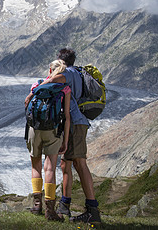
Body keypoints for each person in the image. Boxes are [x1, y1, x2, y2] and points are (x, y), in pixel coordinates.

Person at [42, 48, 101, 224]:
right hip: (76, 122)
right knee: (65, 163)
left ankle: (93, 210)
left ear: (60, 61)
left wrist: (47, 77)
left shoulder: (66, 72)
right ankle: (64, 206)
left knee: (80, 163)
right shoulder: (77, 72)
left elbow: (52, 81)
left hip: (75, 122)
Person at [25, 59, 71, 221]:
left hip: (34, 129)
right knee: (50, 167)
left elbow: (26, 104)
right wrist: (65, 140)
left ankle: (37, 205)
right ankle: (50, 211)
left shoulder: (36, 85)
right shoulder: (65, 89)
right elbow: (66, 115)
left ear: (49, 69)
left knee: (35, 165)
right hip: (53, 130)